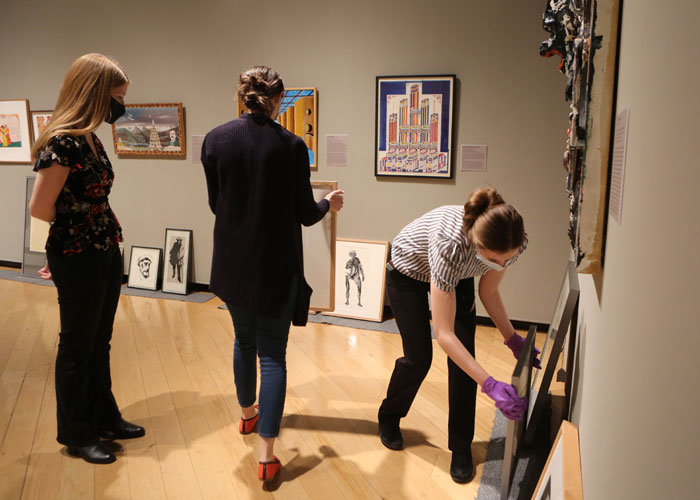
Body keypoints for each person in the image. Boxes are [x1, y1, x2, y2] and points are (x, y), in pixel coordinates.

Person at [201, 65, 344, 482]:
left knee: (243, 341)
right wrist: (327, 205)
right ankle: (266, 456)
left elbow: (217, 203)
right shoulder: (292, 146)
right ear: (278, 100)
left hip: (231, 263)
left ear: (241, 95)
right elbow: (304, 213)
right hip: (276, 266)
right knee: (273, 357)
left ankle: (247, 416)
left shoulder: (214, 140)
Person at [377, 188, 540, 483]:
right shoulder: (450, 243)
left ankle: (461, 447)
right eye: (495, 259)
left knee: (465, 362)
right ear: (477, 245)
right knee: (419, 358)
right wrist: (489, 384)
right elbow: (444, 333)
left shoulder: (512, 241)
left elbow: (488, 290)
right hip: (406, 273)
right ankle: (389, 414)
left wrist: (512, 338)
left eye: (508, 260)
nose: (502, 265)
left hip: (457, 273)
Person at [29, 53, 145, 465]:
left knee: (100, 341)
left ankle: (104, 417)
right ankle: (77, 433)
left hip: (103, 248)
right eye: (117, 96)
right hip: (78, 253)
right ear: (94, 94)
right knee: (77, 346)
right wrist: (84, 222)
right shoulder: (61, 140)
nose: (121, 105)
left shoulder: (89, 137)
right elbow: (41, 208)